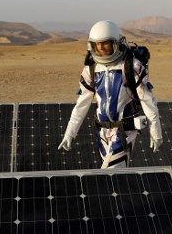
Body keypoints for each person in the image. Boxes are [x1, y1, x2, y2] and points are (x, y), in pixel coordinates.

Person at [58, 20, 163, 168]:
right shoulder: (91, 69)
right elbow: (82, 104)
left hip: (124, 131)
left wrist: (156, 132)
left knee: (110, 172)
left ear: (116, 43)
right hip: (102, 132)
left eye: (105, 43)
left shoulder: (132, 66)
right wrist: (70, 133)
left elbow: (148, 102)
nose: (100, 48)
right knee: (114, 180)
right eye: (97, 44)